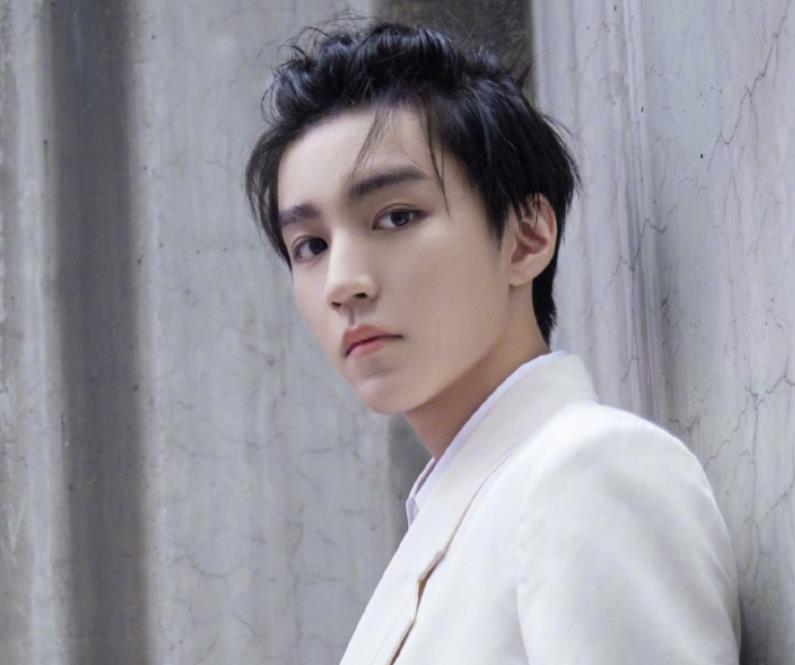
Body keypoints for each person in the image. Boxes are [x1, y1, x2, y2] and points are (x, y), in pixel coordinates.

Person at [244, 20, 741, 665]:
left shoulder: (589, 474)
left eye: (396, 216)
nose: (342, 283)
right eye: (310, 246)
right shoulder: (445, 535)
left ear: (528, 237)